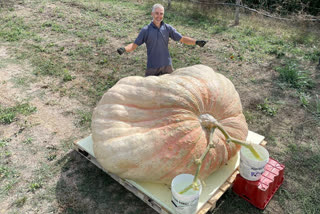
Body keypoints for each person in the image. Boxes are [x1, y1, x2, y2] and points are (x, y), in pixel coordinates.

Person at [117, 3, 207, 76]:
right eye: (156, 13)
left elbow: (182, 39)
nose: (159, 16)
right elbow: (134, 45)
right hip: (152, 67)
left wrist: (196, 42)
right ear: (152, 14)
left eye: (161, 13)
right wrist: (124, 49)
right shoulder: (146, 30)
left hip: (167, 66)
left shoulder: (168, 28)